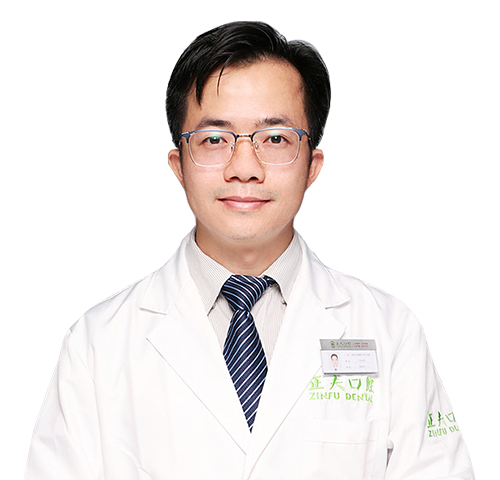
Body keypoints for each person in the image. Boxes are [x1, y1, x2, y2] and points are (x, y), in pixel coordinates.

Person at [26, 22, 474, 479]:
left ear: (312, 165)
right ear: (178, 165)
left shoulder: (389, 332)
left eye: (275, 138)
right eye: (214, 140)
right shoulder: (98, 344)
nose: (244, 168)